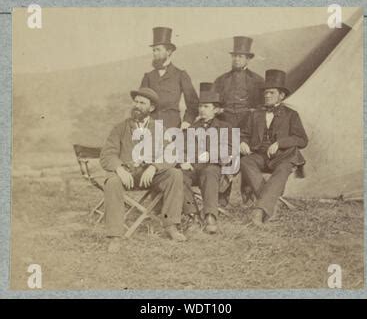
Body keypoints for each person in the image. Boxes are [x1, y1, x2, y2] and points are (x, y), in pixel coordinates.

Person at [100, 87, 186, 253]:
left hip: (150, 176)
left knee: (175, 174)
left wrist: (154, 167)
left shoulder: (159, 130)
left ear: (151, 108)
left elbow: (171, 154)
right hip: (127, 175)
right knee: (112, 182)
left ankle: (171, 226)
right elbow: (107, 155)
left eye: (142, 103)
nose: (137, 106)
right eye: (136, 102)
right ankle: (115, 236)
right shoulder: (120, 128)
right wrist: (119, 169)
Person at [239, 69, 308, 226]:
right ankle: (270, 202)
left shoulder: (291, 115)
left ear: (281, 95)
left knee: (283, 169)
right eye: (265, 93)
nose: (267, 95)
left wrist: (280, 143)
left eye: (271, 92)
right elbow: (243, 133)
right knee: (245, 162)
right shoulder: (254, 114)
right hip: (260, 155)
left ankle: (259, 211)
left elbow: (302, 140)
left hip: (283, 156)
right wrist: (242, 142)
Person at [181, 83, 233, 234]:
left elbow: (229, 149)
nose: (202, 110)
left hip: (213, 167)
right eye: (200, 106)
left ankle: (210, 216)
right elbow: (182, 149)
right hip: (193, 168)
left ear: (216, 110)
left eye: (206, 106)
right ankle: (193, 216)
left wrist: (210, 155)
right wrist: (184, 161)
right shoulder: (192, 128)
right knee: (179, 176)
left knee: (210, 172)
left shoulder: (225, 127)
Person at [140, 27, 199, 129]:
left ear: (169, 51)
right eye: (153, 50)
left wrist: (187, 122)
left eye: (158, 50)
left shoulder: (181, 75)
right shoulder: (148, 77)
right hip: (150, 128)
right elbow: (140, 103)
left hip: (173, 127)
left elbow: (193, 104)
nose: (154, 53)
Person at [213, 36, 264, 127]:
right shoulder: (221, 79)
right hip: (225, 120)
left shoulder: (257, 80)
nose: (236, 59)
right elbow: (213, 103)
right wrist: (218, 109)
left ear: (247, 59)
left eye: (240, 56)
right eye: (234, 56)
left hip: (248, 121)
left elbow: (262, 104)